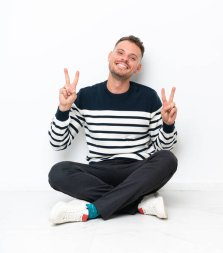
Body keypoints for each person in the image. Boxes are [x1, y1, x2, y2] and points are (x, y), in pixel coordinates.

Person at [48, 35, 178, 225]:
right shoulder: (85, 96)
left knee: (167, 159)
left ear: (137, 67)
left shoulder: (149, 97)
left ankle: (93, 210)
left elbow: (163, 146)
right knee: (58, 172)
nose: (125, 59)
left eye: (133, 58)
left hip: (136, 171)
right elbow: (58, 143)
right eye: (120, 53)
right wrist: (63, 109)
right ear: (110, 56)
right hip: (99, 171)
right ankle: (137, 203)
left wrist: (168, 124)